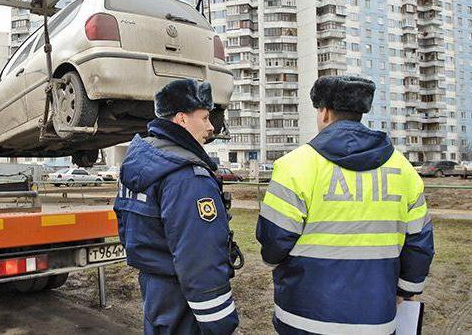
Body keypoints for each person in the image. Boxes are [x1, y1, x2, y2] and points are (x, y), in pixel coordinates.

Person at [256, 75, 435, 334]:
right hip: (376, 318)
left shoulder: (294, 166)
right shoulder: (403, 170)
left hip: (304, 316)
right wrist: (407, 290)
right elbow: (419, 243)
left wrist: (274, 262)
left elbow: (273, 241)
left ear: (325, 113)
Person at [114, 79, 239, 334]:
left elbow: (126, 228)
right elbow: (199, 259)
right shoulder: (188, 177)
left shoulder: (141, 161)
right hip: (184, 297)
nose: (211, 127)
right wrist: (221, 322)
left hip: (155, 289)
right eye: (205, 118)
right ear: (182, 119)